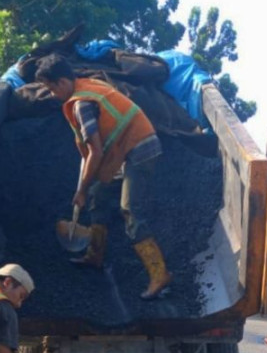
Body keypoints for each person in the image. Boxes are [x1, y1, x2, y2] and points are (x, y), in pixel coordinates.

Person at [35, 53, 172, 300]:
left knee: (130, 210)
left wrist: (81, 190)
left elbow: (95, 152)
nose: (52, 95)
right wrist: (89, 188)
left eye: (51, 88)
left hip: (140, 147)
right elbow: (93, 151)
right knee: (99, 194)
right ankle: (95, 255)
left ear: (63, 83)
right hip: (124, 148)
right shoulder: (89, 86)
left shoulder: (81, 104)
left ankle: (159, 274)